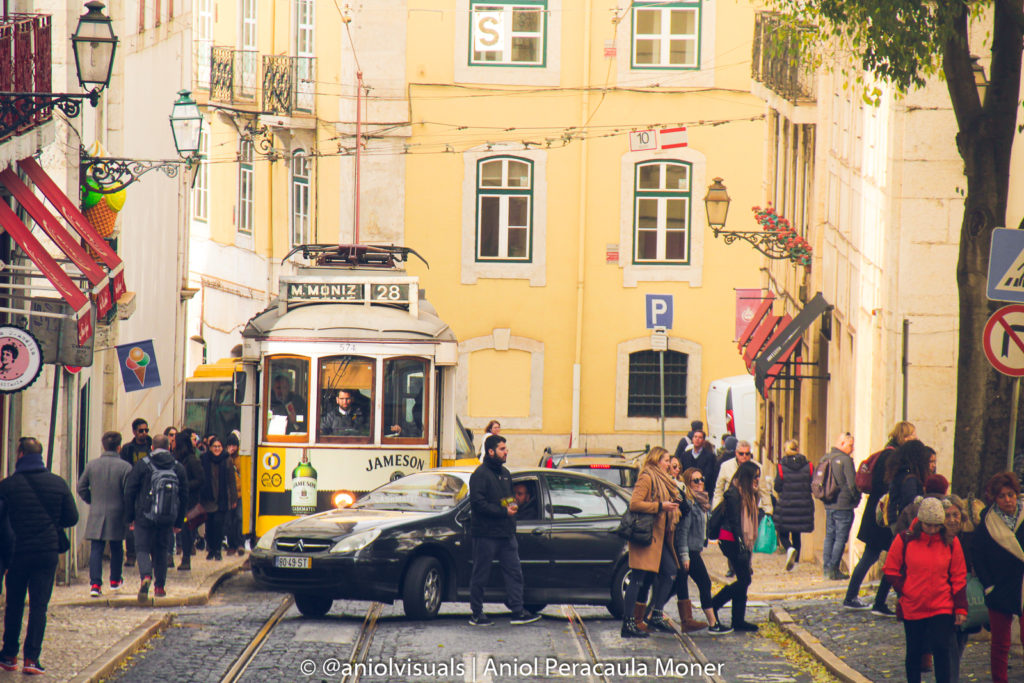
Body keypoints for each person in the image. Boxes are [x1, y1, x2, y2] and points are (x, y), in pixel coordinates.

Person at [0, 437, 78, 676]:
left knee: (13, 604)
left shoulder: (7, 486)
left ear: (20, 455)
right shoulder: (58, 483)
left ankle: (9, 655)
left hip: (17, 553)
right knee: (38, 607)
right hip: (46, 553)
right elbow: (71, 518)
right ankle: (32, 659)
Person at [883, 497, 967, 683]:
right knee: (914, 651)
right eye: (928, 525)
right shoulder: (904, 539)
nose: (932, 530)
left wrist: (961, 607)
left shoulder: (951, 542)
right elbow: (890, 568)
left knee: (941, 649)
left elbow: (958, 576)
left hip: (942, 605)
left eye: (936, 526)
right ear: (920, 522)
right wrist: (905, 589)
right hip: (913, 605)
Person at [468, 434, 540, 626]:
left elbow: (507, 497)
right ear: (490, 451)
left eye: (506, 448)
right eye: (502, 449)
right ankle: (476, 613)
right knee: (480, 574)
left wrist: (512, 505)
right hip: (485, 534)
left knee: (514, 572)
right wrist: (503, 511)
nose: (506, 451)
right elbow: (478, 504)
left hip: (506, 534)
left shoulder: (506, 473)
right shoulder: (480, 475)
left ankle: (517, 611)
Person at [844, 420, 916, 613]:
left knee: (875, 555)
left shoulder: (888, 453)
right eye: (910, 435)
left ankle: (862, 598)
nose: (914, 438)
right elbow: (884, 485)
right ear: (903, 436)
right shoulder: (891, 456)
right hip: (883, 515)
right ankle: (874, 601)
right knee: (890, 557)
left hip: (878, 512)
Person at [620, 446, 681, 638]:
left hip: (659, 537)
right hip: (645, 535)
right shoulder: (647, 477)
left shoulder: (664, 480)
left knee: (670, 571)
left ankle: (655, 614)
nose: (668, 464)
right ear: (656, 460)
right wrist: (660, 506)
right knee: (637, 578)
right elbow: (635, 503)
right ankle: (628, 623)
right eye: (665, 460)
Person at [972, 472, 1024, 683]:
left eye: (1010, 494)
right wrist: (989, 586)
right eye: (1002, 496)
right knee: (1000, 643)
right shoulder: (987, 522)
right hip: (1000, 586)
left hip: (1023, 583)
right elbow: (978, 555)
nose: (1007, 500)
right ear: (995, 498)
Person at [124, 434, 187, 602]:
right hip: (167, 518)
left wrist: (130, 517)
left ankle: (146, 576)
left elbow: (130, 491)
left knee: (142, 549)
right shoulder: (178, 467)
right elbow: (184, 496)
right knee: (161, 551)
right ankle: (160, 587)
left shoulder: (142, 465)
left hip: (144, 515)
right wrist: (179, 522)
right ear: (169, 447)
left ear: (152, 447)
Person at [666, 465, 727, 634]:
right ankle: (713, 623)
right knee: (704, 583)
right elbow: (683, 532)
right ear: (688, 483)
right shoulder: (690, 504)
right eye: (695, 480)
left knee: (672, 587)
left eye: (702, 479)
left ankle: (649, 615)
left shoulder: (702, 502)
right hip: (688, 551)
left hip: (694, 550)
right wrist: (685, 555)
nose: (700, 483)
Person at [77, 431, 132, 598]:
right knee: (116, 547)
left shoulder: (92, 465)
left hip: (97, 510)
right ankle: (115, 580)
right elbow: (128, 493)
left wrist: (93, 501)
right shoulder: (126, 467)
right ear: (119, 447)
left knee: (96, 548)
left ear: (103, 446)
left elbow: (81, 487)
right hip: (118, 511)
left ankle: (95, 583)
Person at [709, 461, 761, 631]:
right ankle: (714, 604)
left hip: (740, 541)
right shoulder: (733, 494)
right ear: (746, 477)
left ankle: (738, 620)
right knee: (745, 579)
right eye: (755, 477)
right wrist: (741, 548)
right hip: (731, 539)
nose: (757, 480)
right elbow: (735, 523)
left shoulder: (749, 494)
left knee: (743, 580)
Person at [821, 432, 859, 580]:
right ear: (842, 443)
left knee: (829, 536)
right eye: (850, 445)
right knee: (840, 538)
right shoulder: (845, 460)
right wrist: (856, 499)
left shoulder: (826, 458)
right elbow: (852, 484)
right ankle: (833, 569)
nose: (852, 449)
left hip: (829, 503)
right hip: (843, 505)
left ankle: (826, 568)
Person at [773, 439, 814, 572]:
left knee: (783, 532)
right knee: (797, 533)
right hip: (803, 505)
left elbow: (777, 487)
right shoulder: (808, 466)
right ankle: (795, 563)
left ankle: (789, 548)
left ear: (786, 450)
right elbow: (812, 484)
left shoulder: (781, 466)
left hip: (786, 504)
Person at [884, 440, 932, 534]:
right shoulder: (910, 479)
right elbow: (910, 503)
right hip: (904, 522)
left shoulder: (899, 473)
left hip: (895, 518)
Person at [200, 437, 237, 561]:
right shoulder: (204, 459)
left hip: (222, 498)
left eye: (219, 446)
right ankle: (211, 549)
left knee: (219, 525)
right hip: (208, 498)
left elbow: (232, 481)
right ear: (210, 448)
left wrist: (233, 498)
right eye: (214, 446)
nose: (217, 449)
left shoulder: (227, 460)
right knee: (209, 526)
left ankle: (217, 550)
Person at [173, 428, 204, 571]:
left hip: (189, 502)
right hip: (177, 501)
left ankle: (186, 558)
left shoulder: (192, 461)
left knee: (186, 530)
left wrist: (183, 485)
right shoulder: (177, 459)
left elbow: (200, 480)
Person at [677, 430, 718, 506]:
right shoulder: (685, 455)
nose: (697, 439)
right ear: (692, 439)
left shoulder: (710, 456)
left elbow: (710, 476)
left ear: (703, 440)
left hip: (703, 493)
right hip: (687, 492)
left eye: (700, 437)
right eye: (695, 437)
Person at [224, 433, 245, 555]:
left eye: (234, 445)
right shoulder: (225, 458)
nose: (232, 448)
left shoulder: (240, 459)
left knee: (239, 519)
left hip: (240, 494)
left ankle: (240, 544)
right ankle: (231, 545)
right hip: (228, 495)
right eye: (230, 445)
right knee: (229, 521)